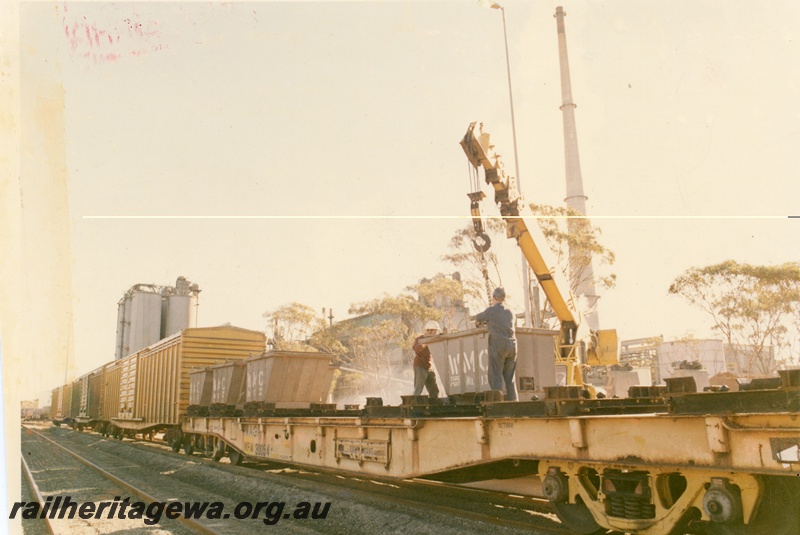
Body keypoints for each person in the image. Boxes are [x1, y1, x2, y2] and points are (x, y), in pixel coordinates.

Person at [475, 287, 518, 401]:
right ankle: (513, 402)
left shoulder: (491, 310)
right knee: (510, 378)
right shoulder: (510, 312)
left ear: (493, 298)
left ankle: (498, 403)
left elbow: (478, 318)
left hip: (499, 344)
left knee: (496, 374)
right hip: (513, 345)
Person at [412, 320, 440, 400]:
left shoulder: (436, 339)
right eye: (434, 331)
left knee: (434, 390)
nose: (435, 332)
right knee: (418, 389)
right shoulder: (420, 339)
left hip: (429, 367)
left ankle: (434, 403)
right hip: (420, 366)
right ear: (429, 330)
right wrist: (425, 344)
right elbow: (416, 348)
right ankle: (415, 403)